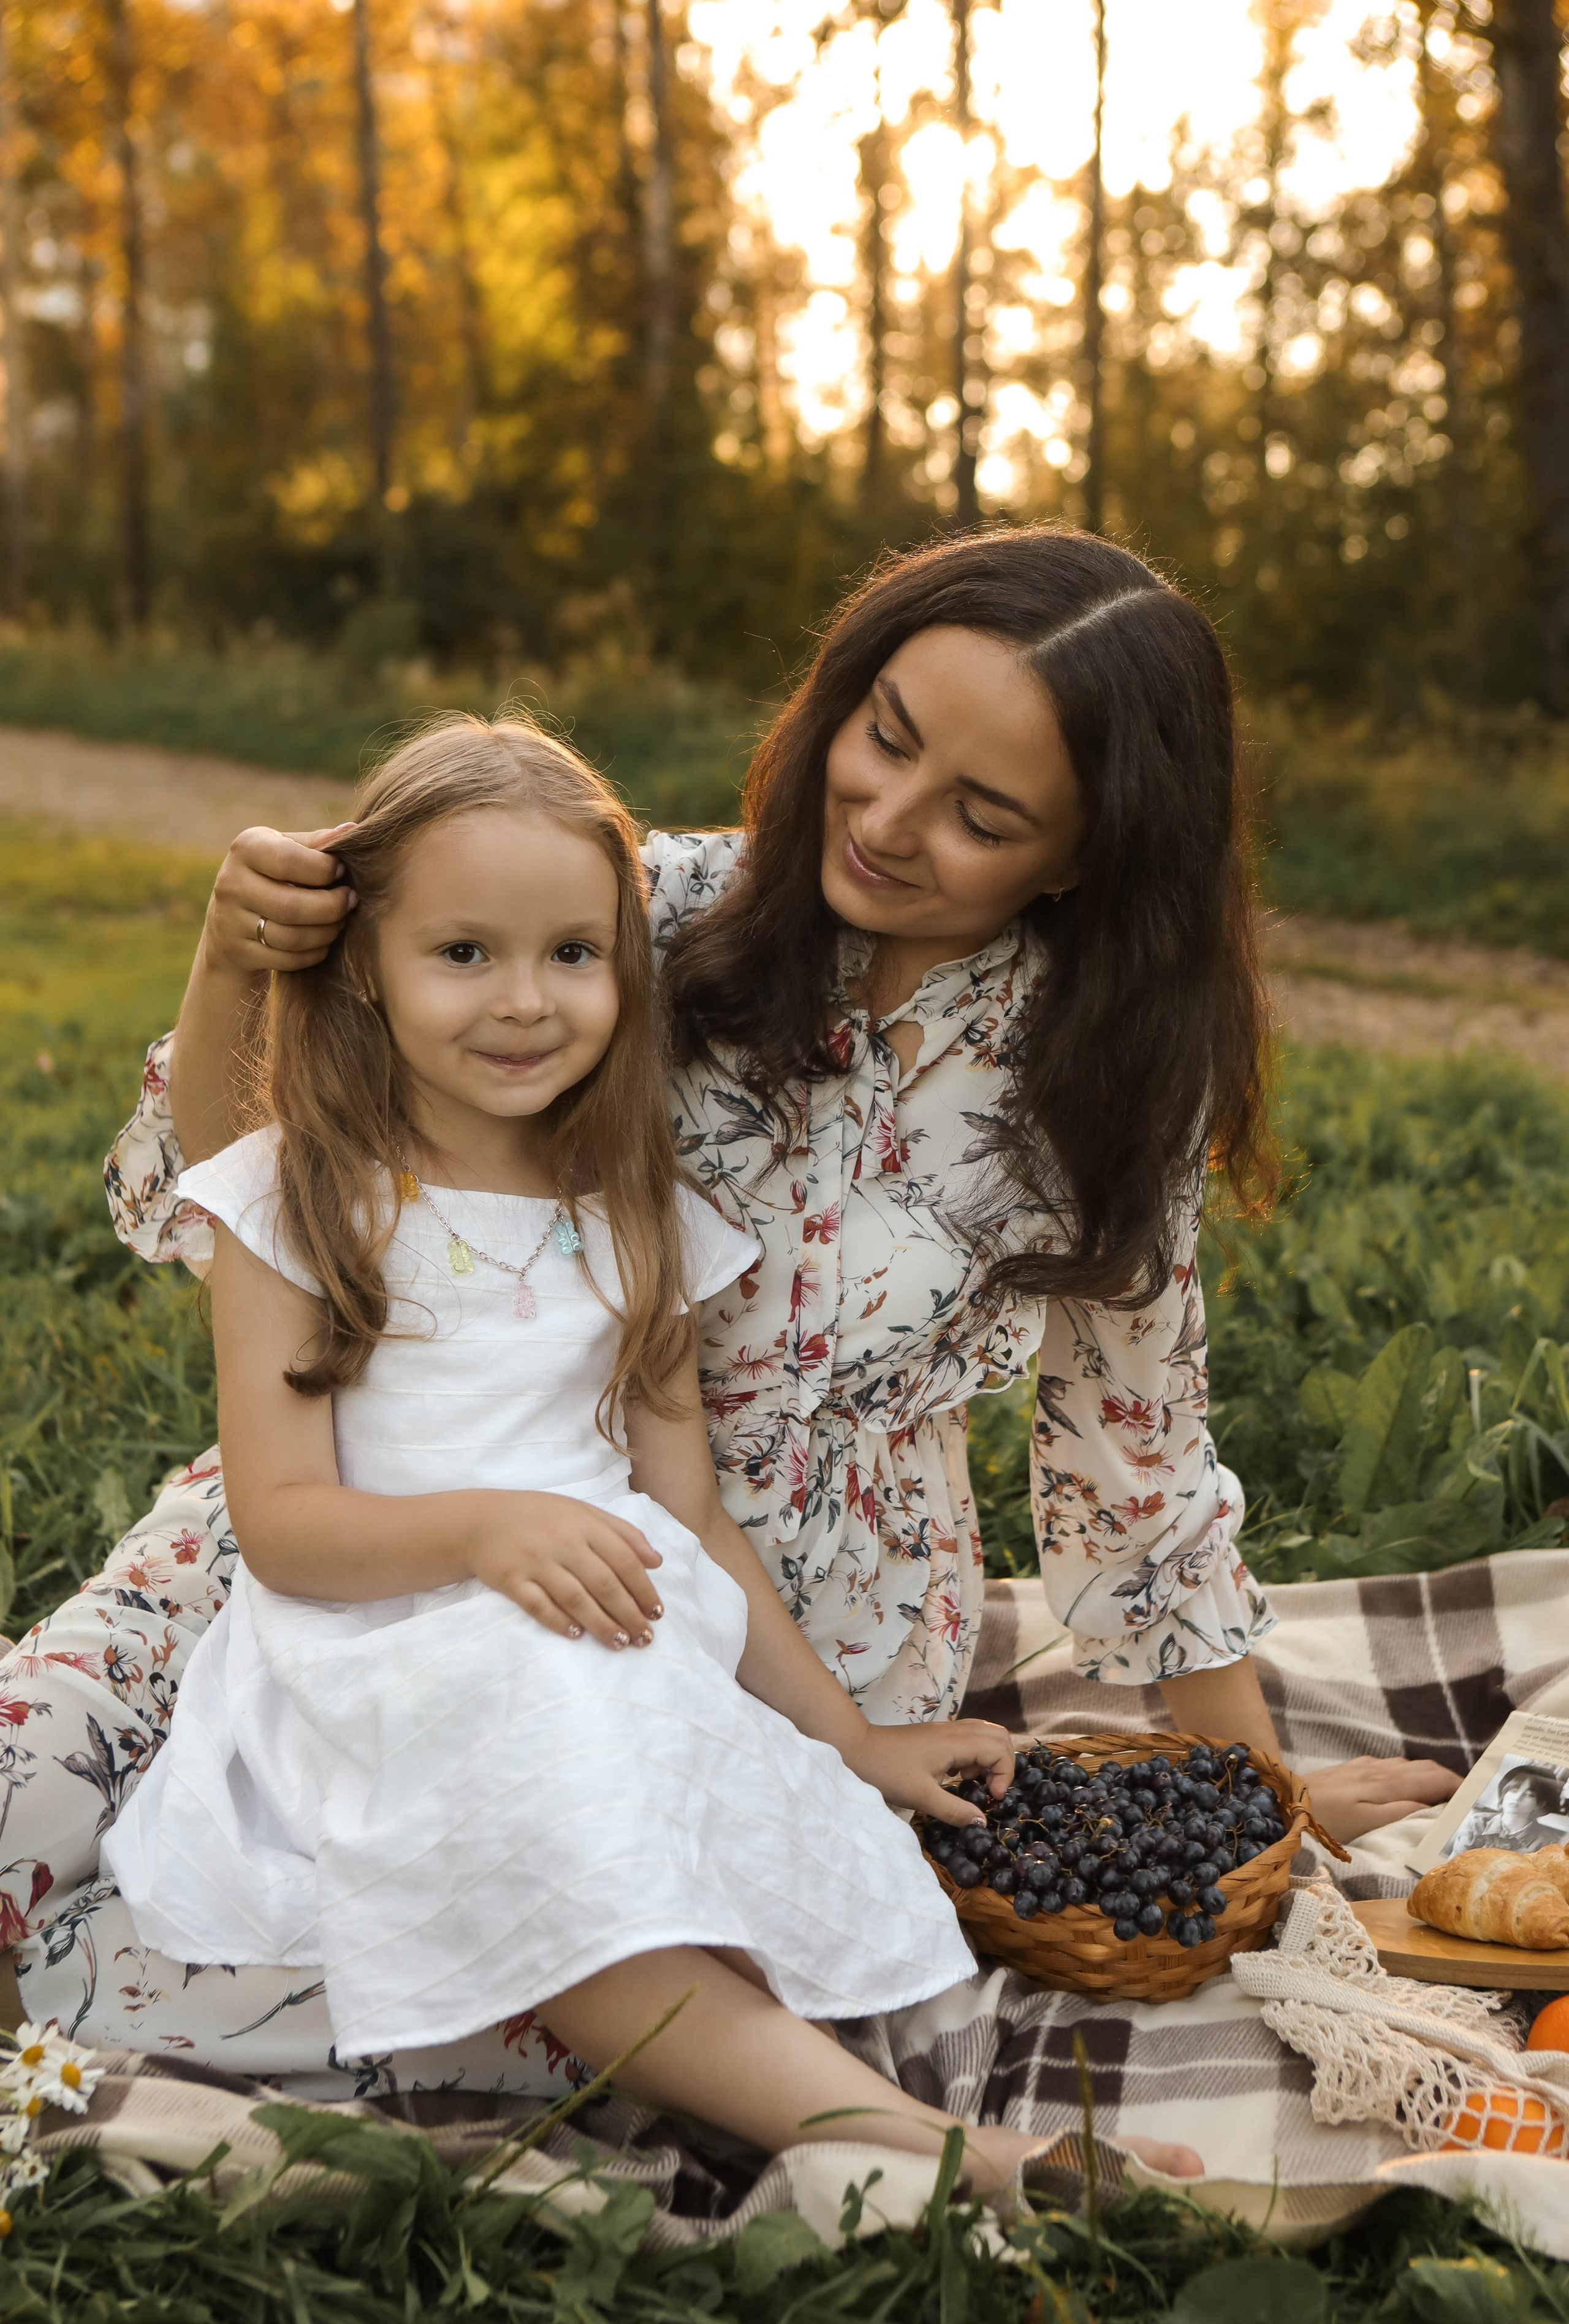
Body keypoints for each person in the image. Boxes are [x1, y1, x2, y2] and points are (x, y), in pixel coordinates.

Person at [6, 527, 1454, 2079]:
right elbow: (225, 1189)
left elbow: (1141, 1457)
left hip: (770, 1621)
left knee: (533, 1975)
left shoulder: (1103, 1086)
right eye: (881, 736)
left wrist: (1250, 1801)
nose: (888, 821)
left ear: (1087, 852)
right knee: (27, 1807)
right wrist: (242, 955)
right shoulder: (636, 911)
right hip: (372, 1516)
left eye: (979, 814)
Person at [98, 717, 1135, 2192]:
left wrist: (849, 1745)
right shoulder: (299, 1199)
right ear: (365, 970)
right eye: (463, 954)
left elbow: (691, 1521)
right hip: (385, 1648)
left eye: (572, 956)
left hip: (613, 1636)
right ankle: (932, 2154)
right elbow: (280, 1525)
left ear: (623, 971)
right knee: (559, 1849)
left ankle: (871, 2118)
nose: (524, 1003)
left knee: (669, 1848)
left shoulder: (632, 1216)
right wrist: (481, 1533)